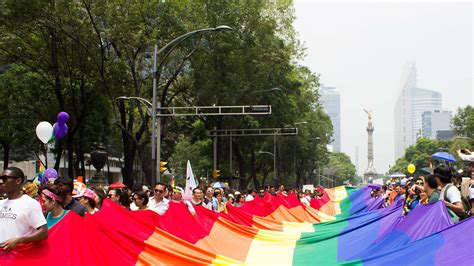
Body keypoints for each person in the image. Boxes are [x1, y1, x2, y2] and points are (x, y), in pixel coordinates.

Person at [0, 167, 48, 252]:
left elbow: (43, 232)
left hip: (20, 258)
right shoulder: (1, 203)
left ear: (18, 181)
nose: (1, 182)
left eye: (5, 178)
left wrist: (19, 240)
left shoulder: (30, 204)